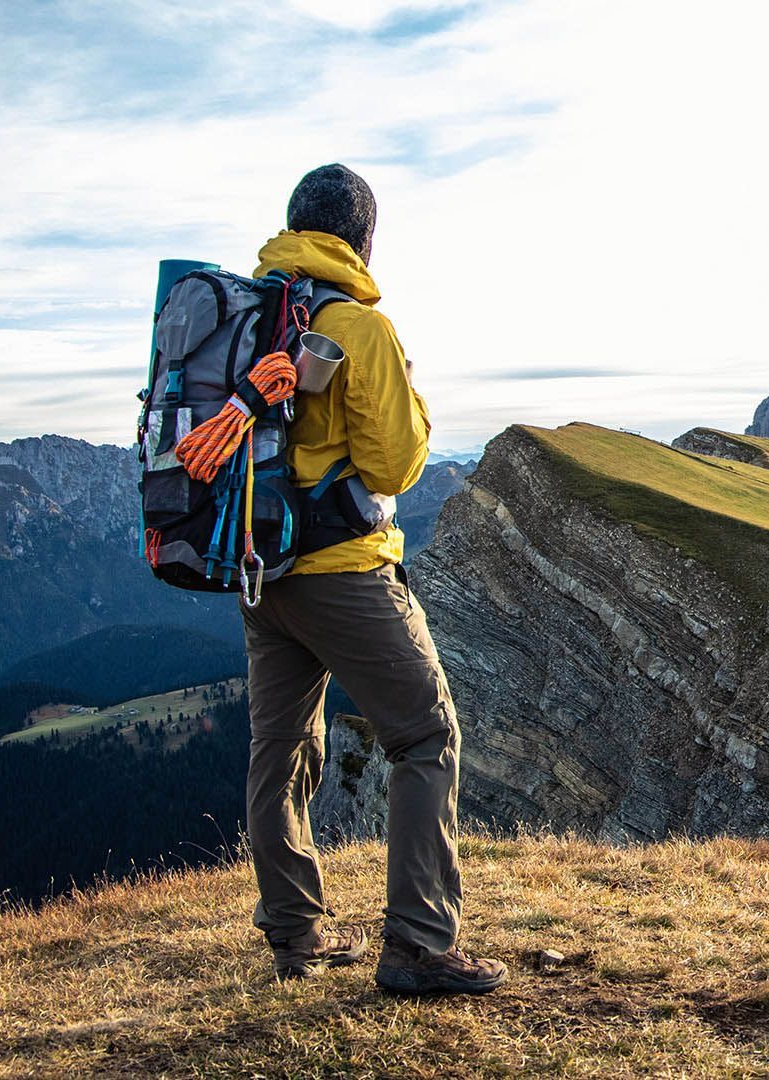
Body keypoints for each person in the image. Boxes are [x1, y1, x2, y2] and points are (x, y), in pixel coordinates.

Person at [240, 164, 506, 994]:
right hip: (343, 572)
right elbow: (395, 462)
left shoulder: (250, 318)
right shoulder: (359, 327)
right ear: (362, 240)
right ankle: (421, 945)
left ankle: (296, 933)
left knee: (279, 747)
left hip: (260, 572)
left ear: (293, 227)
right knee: (426, 735)